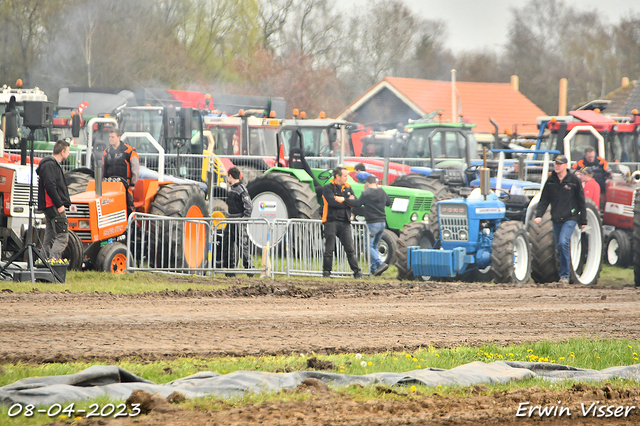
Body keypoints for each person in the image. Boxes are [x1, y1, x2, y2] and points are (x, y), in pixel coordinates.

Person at [534, 155, 586, 284]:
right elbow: (544, 199)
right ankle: (561, 274)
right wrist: (539, 215)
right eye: (555, 164)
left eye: (559, 164)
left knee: (563, 243)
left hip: (570, 218)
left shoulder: (574, 180)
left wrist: (583, 220)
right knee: (559, 247)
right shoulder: (551, 181)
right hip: (556, 218)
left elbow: (581, 201)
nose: (556, 166)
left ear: (565, 165)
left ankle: (565, 276)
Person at [322, 166, 362, 279]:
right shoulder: (327, 188)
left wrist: (343, 199)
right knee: (329, 249)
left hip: (345, 222)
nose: (347, 178)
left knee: (350, 249)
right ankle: (326, 272)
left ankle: (357, 273)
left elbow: (356, 203)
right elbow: (332, 202)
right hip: (331, 221)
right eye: (345, 176)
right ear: (337, 176)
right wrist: (348, 201)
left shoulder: (348, 187)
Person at [36, 139, 71, 260]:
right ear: (62, 152)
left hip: (50, 206)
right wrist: (60, 204)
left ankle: (44, 262)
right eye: (68, 151)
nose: (69, 154)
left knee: (50, 236)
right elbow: (50, 186)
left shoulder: (50, 164)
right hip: (54, 206)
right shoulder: (50, 164)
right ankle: (53, 263)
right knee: (62, 236)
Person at [355, 175, 392, 276]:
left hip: (372, 223)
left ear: (367, 183)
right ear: (376, 182)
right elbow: (389, 203)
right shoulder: (382, 191)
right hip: (382, 222)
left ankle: (380, 264)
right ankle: (375, 270)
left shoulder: (366, 193)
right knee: (375, 245)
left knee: (368, 246)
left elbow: (357, 204)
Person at [103, 128, 139, 217]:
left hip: (125, 184)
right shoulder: (106, 151)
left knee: (129, 206)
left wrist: (132, 184)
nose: (110, 139)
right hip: (110, 184)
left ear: (118, 137)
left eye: (112, 137)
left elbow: (135, 167)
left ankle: (132, 225)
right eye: (109, 137)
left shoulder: (129, 150)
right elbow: (103, 168)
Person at [224, 167, 253, 276]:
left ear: (230, 176)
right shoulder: (232, 189)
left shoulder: (241, 189)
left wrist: (244, 220)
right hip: (230, 220)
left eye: (228, 176)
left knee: (242, 246)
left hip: (238, 221)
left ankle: (249, 270)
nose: (227, 178)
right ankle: (230, 270)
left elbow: (249, 206)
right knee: (227, 245)